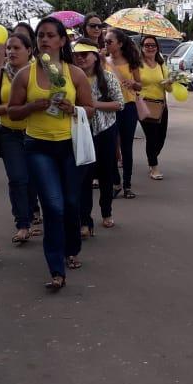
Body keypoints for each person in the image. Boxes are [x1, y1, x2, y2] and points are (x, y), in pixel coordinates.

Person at [8, 16, 93, 290]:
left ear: (62, 40)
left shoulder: (74, 73)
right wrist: (32, 106)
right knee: (53, 207)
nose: (44, 39)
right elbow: (11, 111)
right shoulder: (26, 74)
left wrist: (74, 109)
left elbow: (90, 109)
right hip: (38, 147)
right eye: (40, 35)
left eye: (50, 35)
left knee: (70, 203)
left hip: (69, 146)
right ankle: (56, 269)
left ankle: (72, 248)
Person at [0, 32, 38, 244]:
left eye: (16, 48)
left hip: (37, 134)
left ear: (29, 51)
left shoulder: (40, 73)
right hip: (9, 134)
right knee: (17, 179)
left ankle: (34, 213)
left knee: (34, 179)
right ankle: (23, 225)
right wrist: (10, 108)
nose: (11, 52)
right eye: (8, 48)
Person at [73, 39, 124, 235]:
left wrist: (93, 104)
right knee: (83, 177)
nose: (80, 58)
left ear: (95, 56)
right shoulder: (71, 78)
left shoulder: (108, 78)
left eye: (85, 54)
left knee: (105, 175)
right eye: (77, 54)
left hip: (105, 130)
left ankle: (106, 212)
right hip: (81, 131)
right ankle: (85, 221)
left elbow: (119, 104)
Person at [105, 28, 141, 198]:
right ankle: (116, 182)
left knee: (127, 147)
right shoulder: (103, 61)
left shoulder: (131, 61)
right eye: (105, 41)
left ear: (119, 43)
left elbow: (140, 85)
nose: (106, 44)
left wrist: (133, 83)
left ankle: (127, 185)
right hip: (110, 108)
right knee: (111, 147)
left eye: (109, 41)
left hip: (128, 107)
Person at [136, 35, 171, 181]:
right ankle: (154, 166)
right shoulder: (137, 64)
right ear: (142, 48)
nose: (150, 48)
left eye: (153, 45)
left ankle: (152, 157)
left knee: (161, 138)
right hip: (145, 104)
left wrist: (170, 82)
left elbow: (168, 88)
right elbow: (134, 83)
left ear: (157, 47)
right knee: (151, 137)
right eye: (147, 45)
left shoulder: (161, 64)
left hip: (161, 105)